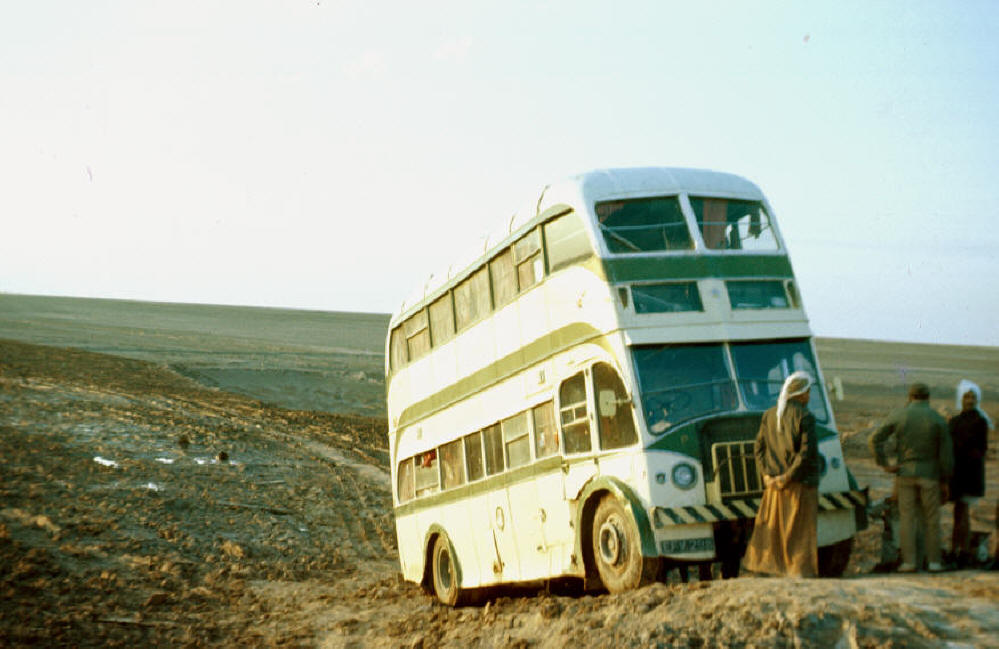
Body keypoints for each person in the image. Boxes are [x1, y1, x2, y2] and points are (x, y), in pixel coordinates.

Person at [743, 371, 820, 578]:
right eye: (808, 391)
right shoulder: (805, 417)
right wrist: (788, 477)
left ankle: (770, 569)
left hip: (774, 486)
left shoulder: (769, 415)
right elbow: (806, 453)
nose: (809, 396)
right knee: (799, 531)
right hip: (799, 484)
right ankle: (798, 571)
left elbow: (758, 448)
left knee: (774, 530)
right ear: (800, 393)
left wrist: (767, 476)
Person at [870, 383, 953, 572]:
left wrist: (885, 464)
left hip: (905, 474)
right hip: (930, 476)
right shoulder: (937, 419)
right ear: (928, 397)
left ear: (910, 397)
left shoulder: (900, 415)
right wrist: (945, 481)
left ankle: (909, 562)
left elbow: (874, 439)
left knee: (907, 518)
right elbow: (946, 456)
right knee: (931, 519)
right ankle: (933, 562)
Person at [948, 380, 991, 566]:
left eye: (973, 397)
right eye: (967, 397)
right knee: (958, 513)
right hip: (957, 474)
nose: (970, 400)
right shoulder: (956, 421)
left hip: (969, 474)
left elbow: (980, 449)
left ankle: (962, 551)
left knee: (963, 512)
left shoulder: (980, 421)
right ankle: (956, 549)